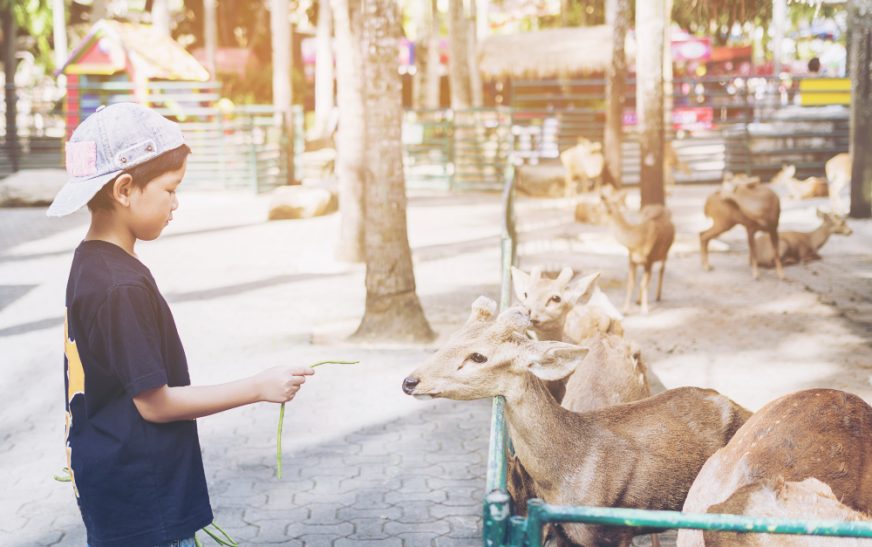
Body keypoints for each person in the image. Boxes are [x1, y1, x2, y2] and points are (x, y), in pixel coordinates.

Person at [48, 102, 314, 547]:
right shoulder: (120, 286)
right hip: (143, 502)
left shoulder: (92, 261)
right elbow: (155, 404)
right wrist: (258, 387)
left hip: (115, 489)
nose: (177, 203)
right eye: (171, 189)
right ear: (125, 189)